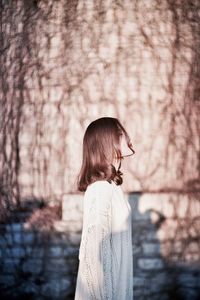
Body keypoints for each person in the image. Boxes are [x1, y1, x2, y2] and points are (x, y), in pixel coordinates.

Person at [74, 117, 135, 300]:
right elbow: (95, 255)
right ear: (107, 142)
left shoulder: (112, 187)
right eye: (121, 134)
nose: (128, 137)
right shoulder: (100, 190)